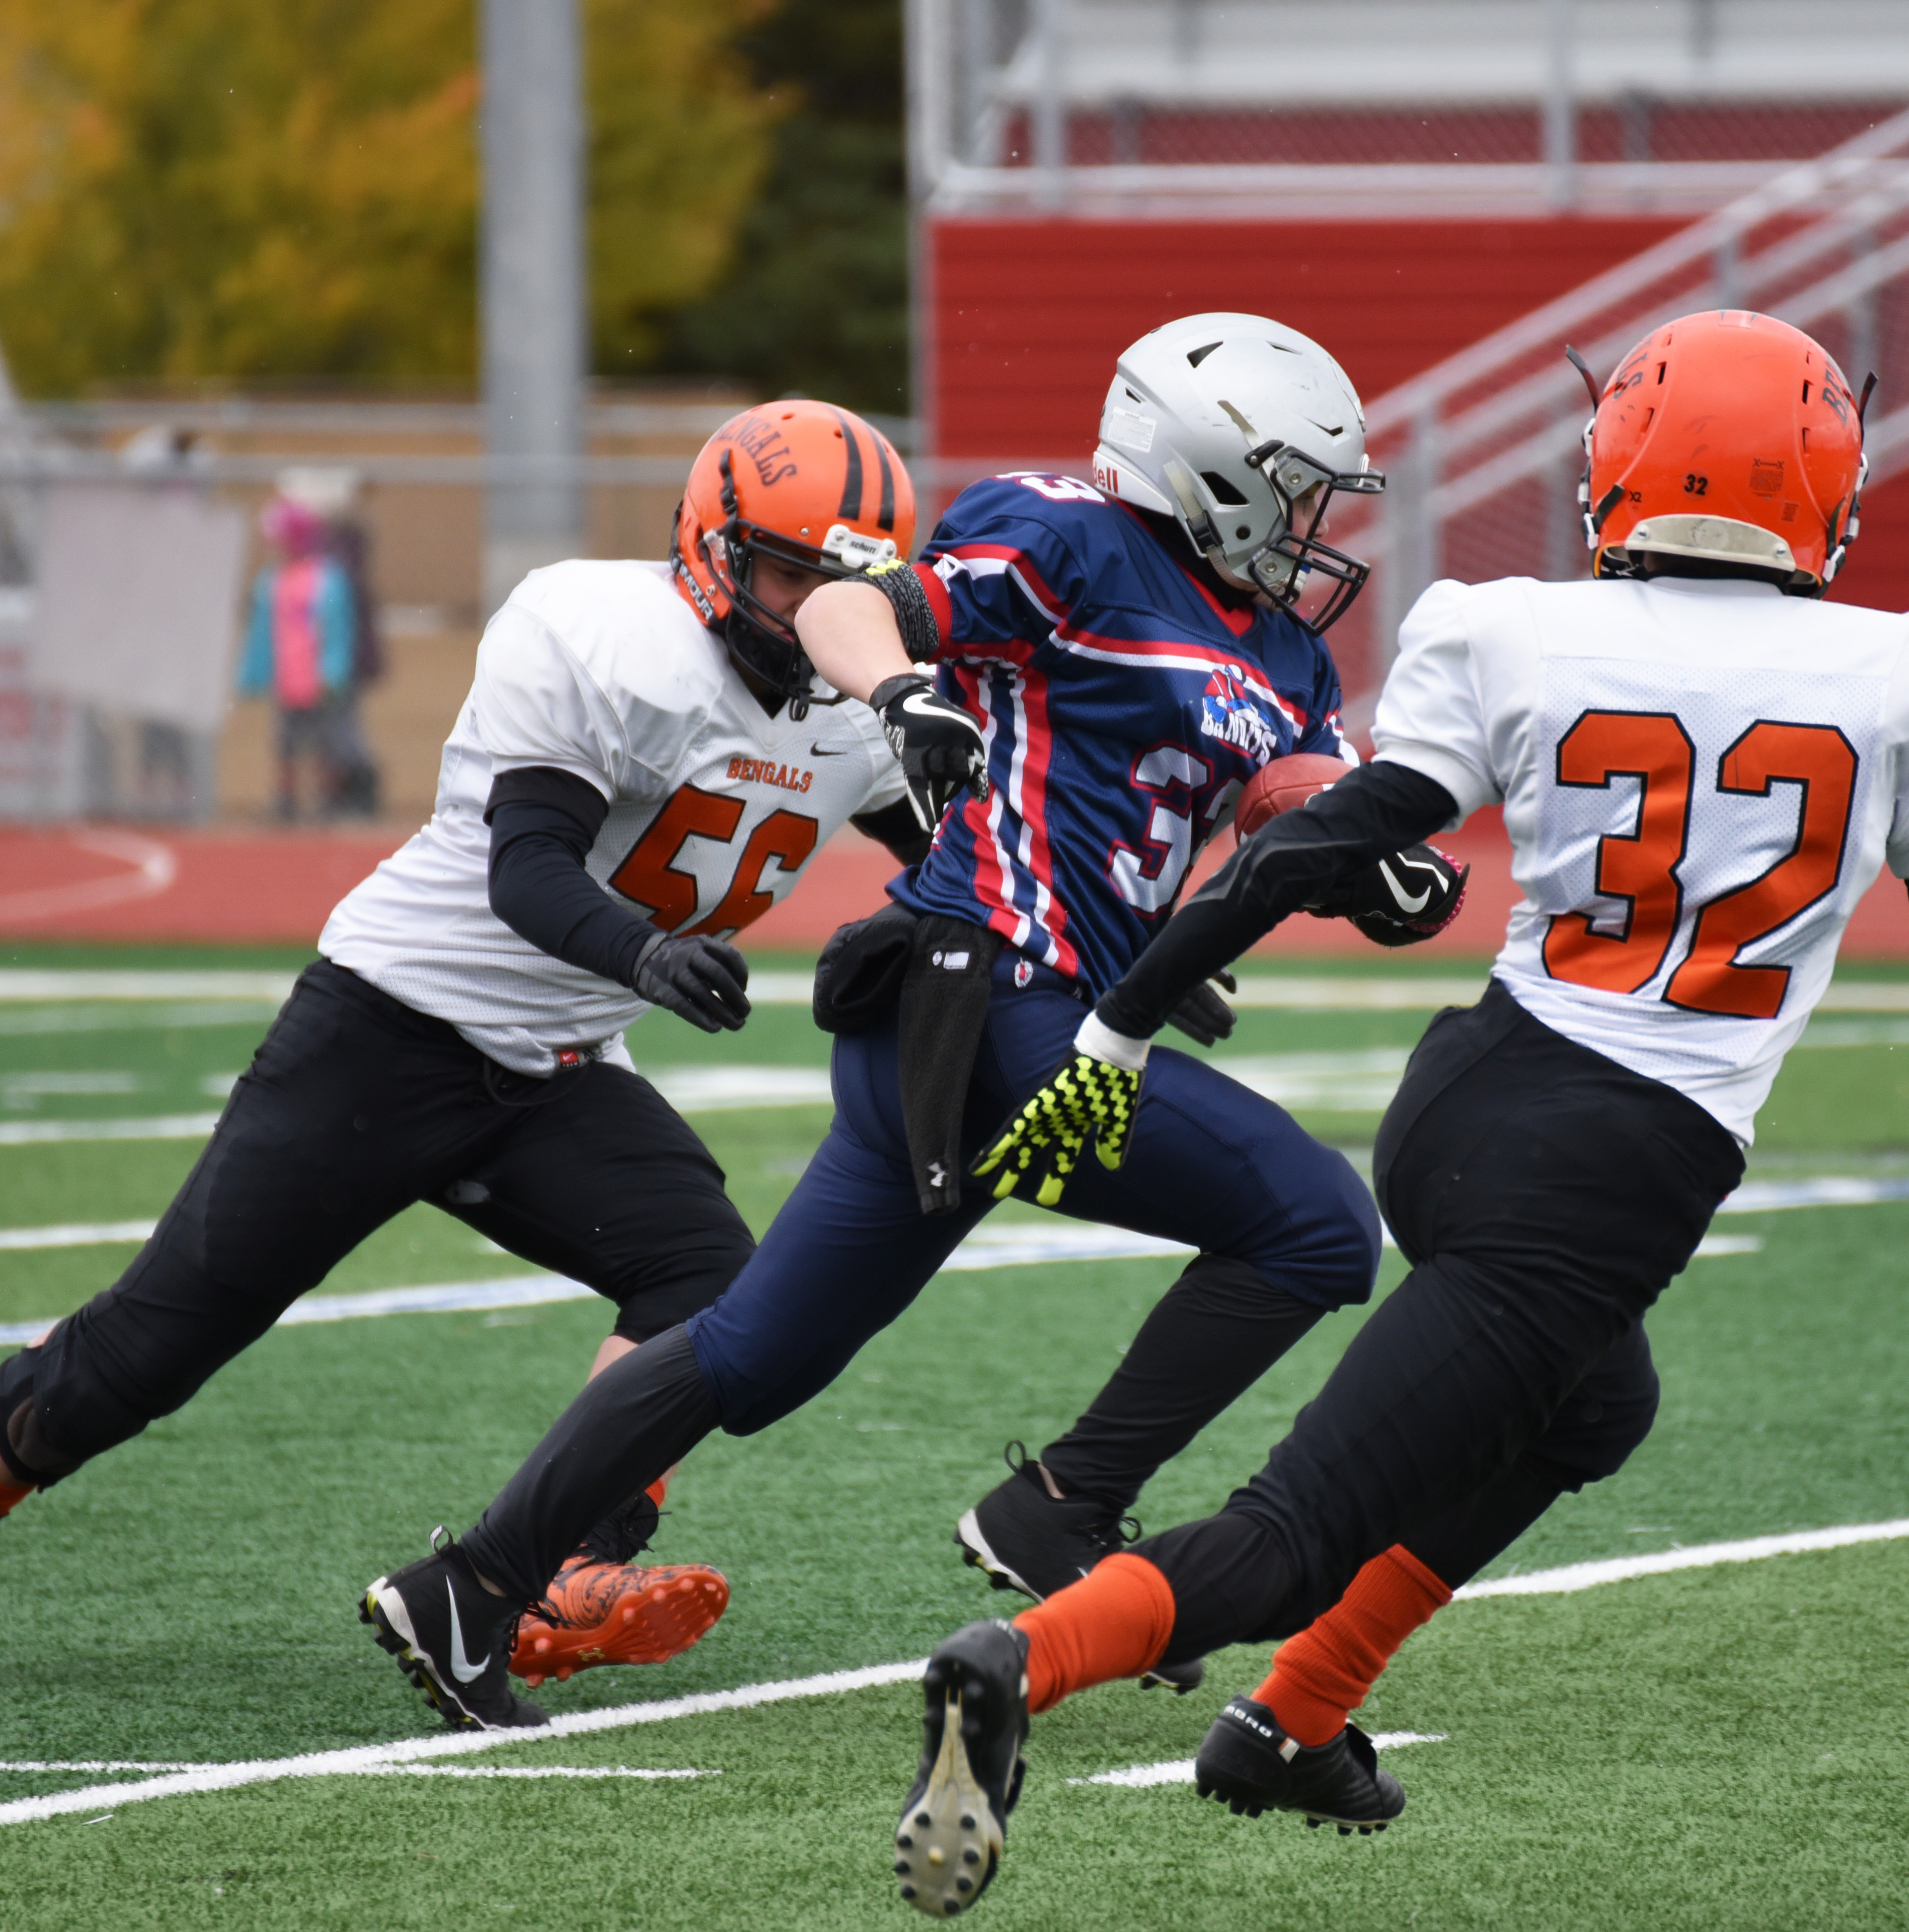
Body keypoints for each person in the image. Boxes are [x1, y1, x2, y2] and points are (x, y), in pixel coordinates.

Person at [881, 309, 1909, 1917]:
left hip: (1464, 1100)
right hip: (1611, 1167)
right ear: (1824, 489)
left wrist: (1121, 1021)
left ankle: (1292, 1723)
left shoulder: (1517, 629)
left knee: (1592, 1407)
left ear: (1615, 468)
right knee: (1293, 1532)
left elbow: (1303, 851)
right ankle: (1013, 1663)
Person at [358, 312, 1471, 1733]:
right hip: (990, 1002)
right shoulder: (1070, 539)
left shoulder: (1281, 652)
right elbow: (846, 606)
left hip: (989, 1021)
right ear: (1210, 470)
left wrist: (1377, 862)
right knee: (1315, 1225)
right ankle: (1062, 1505)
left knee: (754, 1351)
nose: (1311, 524)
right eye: (1294, 488)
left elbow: (1289, 795)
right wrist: (899, 689)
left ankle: (470, 1583)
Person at [0, 403, 936, 1691]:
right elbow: (528, 866)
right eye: (790, 573)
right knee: (149, 1350)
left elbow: (967, 857)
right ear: (713, 549)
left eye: (847, 584)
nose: (818, 612)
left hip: (558, 1067)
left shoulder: (867, 704)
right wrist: (644, 956)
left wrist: (975, 931)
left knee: (715, 1284)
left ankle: (559, 1565)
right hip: (391, 1027)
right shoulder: (603, 632)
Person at [238, 484, 365, 820]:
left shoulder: (327, 578)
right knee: (286, 746)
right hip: (287, 683)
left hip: (319, 683)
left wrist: (334, 670)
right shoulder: (271, 581)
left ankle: (328, 801)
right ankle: (286, 801)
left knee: (327, 747)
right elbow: (263, 634)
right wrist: (254, 674)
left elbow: (338, 629)